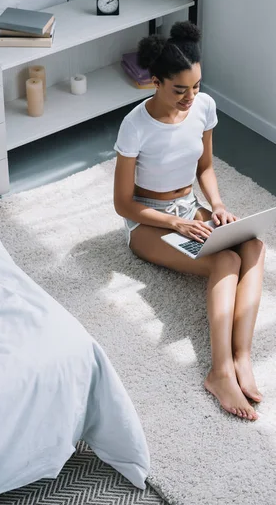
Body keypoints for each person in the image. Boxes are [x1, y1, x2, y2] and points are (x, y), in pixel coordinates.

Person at [113, 21, 265, 421]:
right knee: (225, 261)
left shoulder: (204, 106)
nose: (190, 97)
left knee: (253, 245)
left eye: (196, 86)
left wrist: (216, 204)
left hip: (189, 205)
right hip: (147, 222)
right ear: (156, 82)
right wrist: (175, 224)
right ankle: (218, 371)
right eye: (180, 89)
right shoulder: (135, 125)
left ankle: (241, 356)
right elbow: (123, 205)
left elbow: (206, 166)